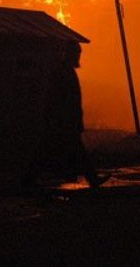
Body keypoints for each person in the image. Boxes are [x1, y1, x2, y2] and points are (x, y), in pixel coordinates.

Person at [28, 42, 109, 188]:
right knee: (52, 149)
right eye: (77, 54)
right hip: (62, 121)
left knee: (49, 149)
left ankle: (29, 177)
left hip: (64, 120)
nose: (78, 57)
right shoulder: (62, 72)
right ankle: (91, 178)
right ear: (70, 54)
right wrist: (61, 119)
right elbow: (59, 99)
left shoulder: (65, 71)